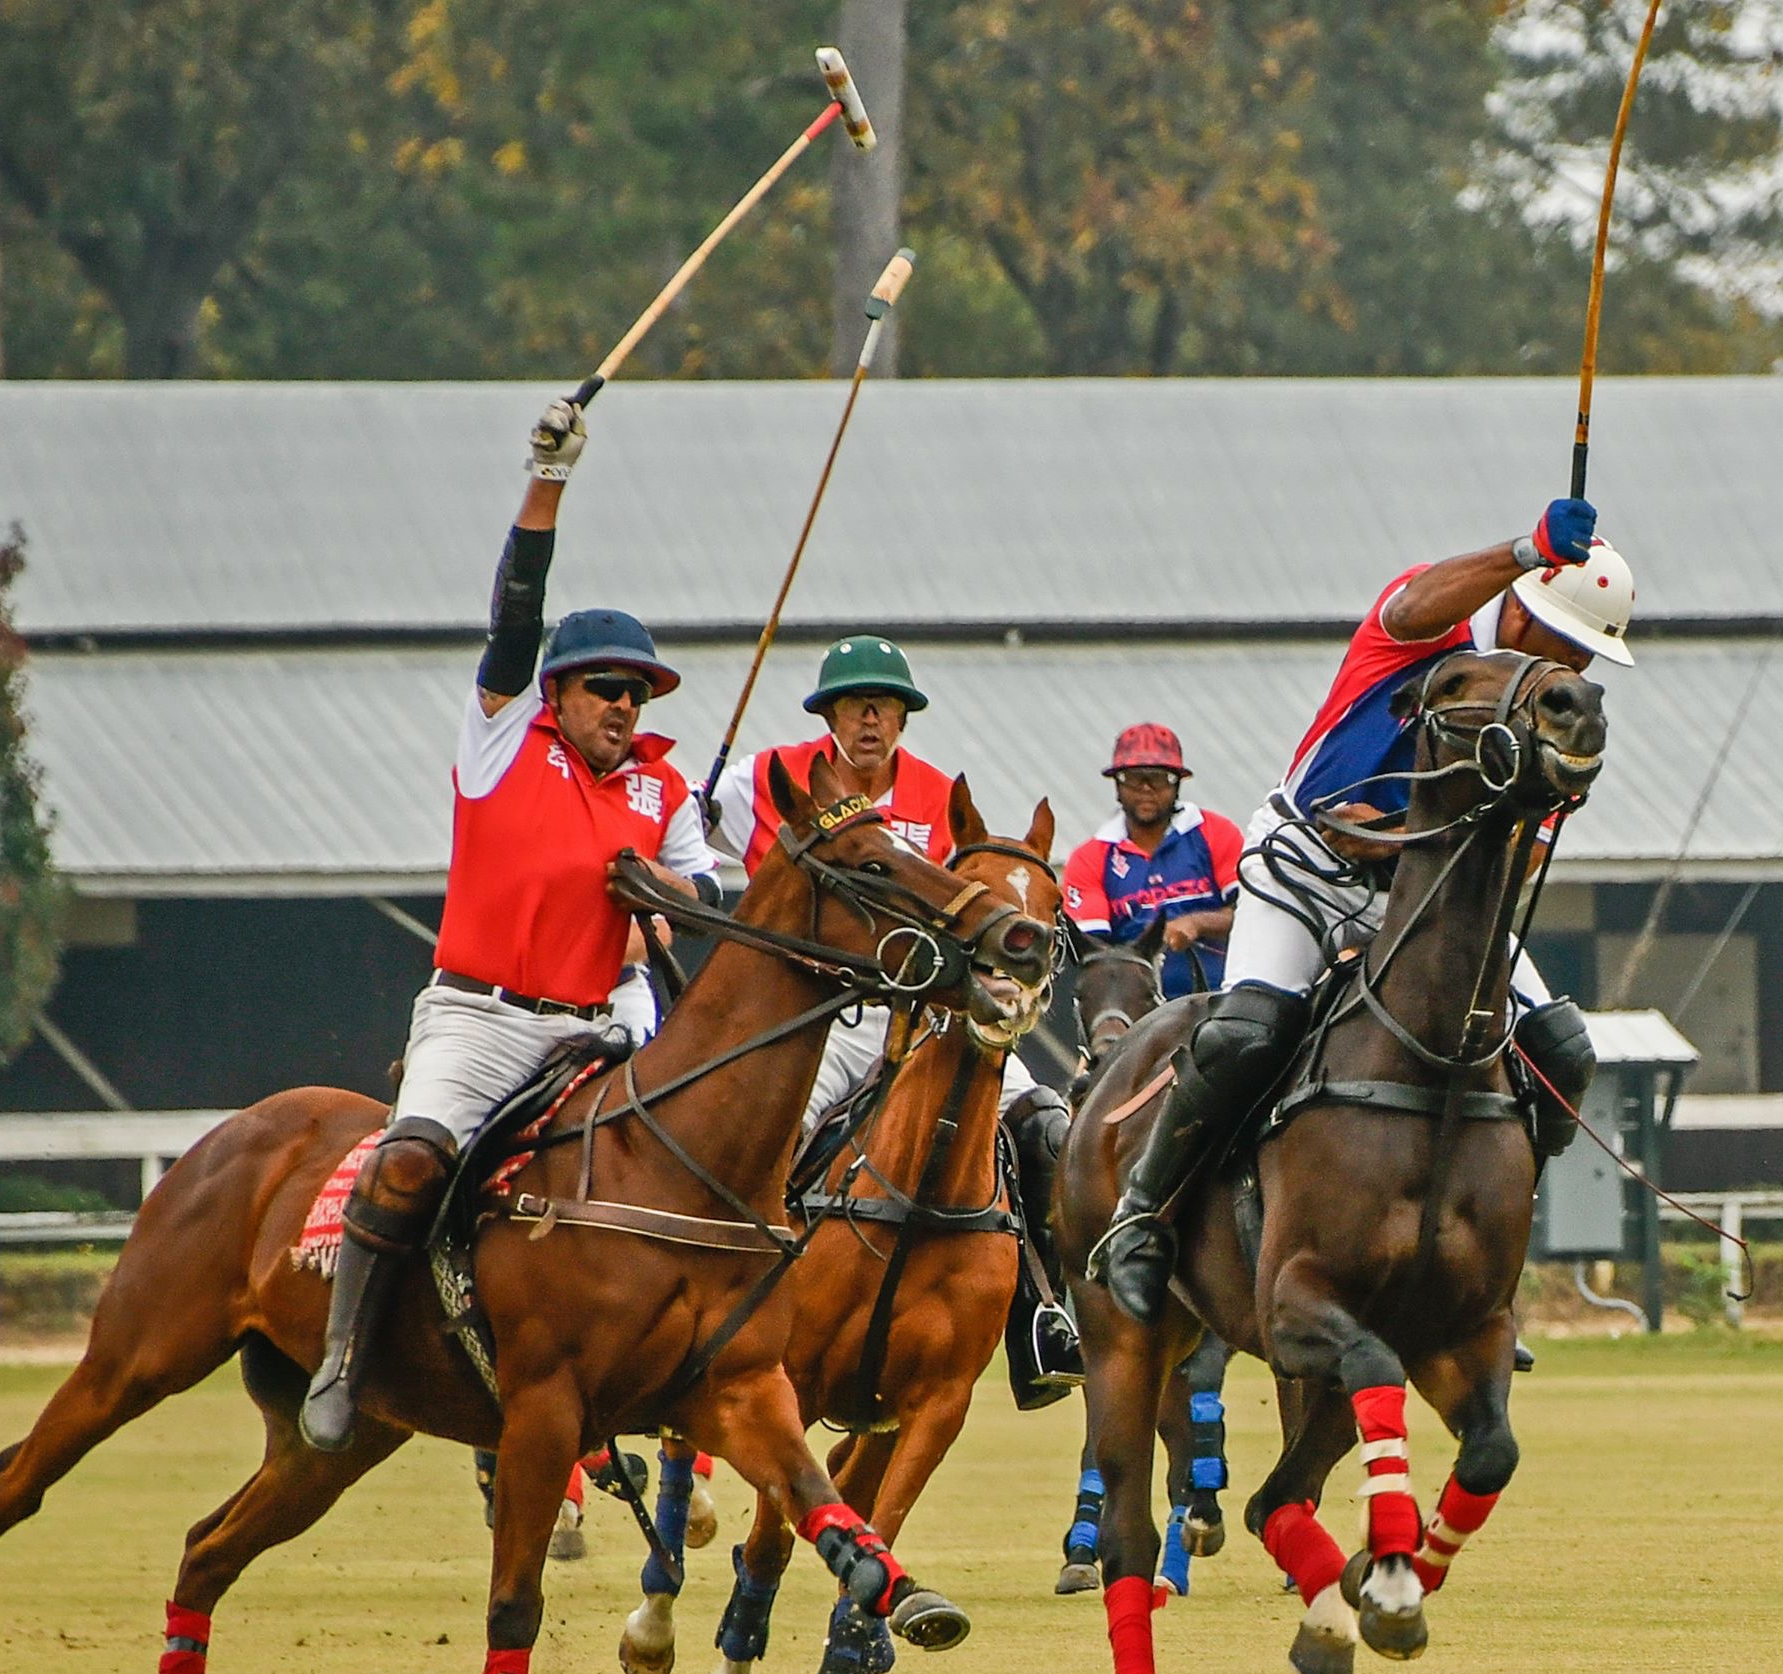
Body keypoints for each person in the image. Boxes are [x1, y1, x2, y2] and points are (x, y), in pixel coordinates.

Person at [301, 395, 721, 1451]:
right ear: (558, 693)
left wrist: (658, 899)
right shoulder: (500, 739)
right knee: (409, 1162)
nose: (624, 705)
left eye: (639, 692)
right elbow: (515, 616)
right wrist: (549, 483)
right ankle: (345, 1356)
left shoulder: (666, 791)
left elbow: (710, 900)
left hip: (593, 1029)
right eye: (605, 687)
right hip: (477, 1021)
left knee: (686, 1157)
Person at [1098, 497, 1630, 1326]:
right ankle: (1143, 1214)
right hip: (1307, 868)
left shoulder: (1549, 727)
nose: (1577, 668)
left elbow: (1524, 859)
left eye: (1591, 655)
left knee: (1563, 1050)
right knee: (1246, 1034)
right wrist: (1527, 549)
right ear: (1525, 613)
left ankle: (1486, 1262)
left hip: (1436, 901)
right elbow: (1409, 611)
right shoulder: (1433, 627)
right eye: (1571, 643)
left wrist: (1424, 837)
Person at [710, 637, 1082, 1405]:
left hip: (924, 1015)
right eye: (856, 705)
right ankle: (716, 1310)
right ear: (830, 715)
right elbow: (683, 826)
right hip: (817, 1016)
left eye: (885, 706)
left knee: (1044, 1124)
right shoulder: (769, 776)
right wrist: (692, 802)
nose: (871, 720)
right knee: (763, 1142)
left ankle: (1041, 1315)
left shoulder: (940, 799)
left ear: (904, 718)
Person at [1063, 725, 1243, 998]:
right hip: (1135, 1009)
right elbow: (1091, 950)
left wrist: (1197, 923)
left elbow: (1252, 913)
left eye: (1159, 779)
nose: (1146, 789)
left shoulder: (1216, 832)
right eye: (1134, 779)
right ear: (1117, 786)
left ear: (1177, 783)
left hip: (1223, 999)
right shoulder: (1089, 858)